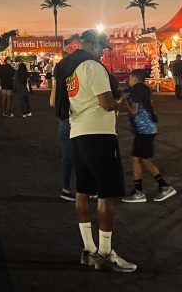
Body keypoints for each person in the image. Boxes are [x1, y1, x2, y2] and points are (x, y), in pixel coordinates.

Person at [55, 29, 136, 273]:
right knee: (106, 192)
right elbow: (105, 103)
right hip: (99, 134)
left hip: (78, 133)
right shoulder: (93, 67)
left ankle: (88, 249)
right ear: (88, 44)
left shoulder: (71, 72)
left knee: (83, 190)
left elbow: (57, 103)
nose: (102, 51)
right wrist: (119, 100)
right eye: (100, 46)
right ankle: (105, 251)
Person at [121, 70, 177, 204]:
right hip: (148, 128)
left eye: (129, 77)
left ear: (134, 78)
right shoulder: (144, 89)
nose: (128, 80)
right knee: (140, 159)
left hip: (144, 130)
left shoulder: (137, 90)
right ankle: (143, 189)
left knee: (140, 159)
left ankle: (160, 187)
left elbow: (134, 111)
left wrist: (125, 103)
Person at [50, 67, 75, 202]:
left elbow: (52, 102)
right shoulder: (76, 83)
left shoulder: (58, 84)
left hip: (63, 121)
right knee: (84, 155)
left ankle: (65, 189)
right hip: (76, 120)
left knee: (67, 157)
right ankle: (90, 188)